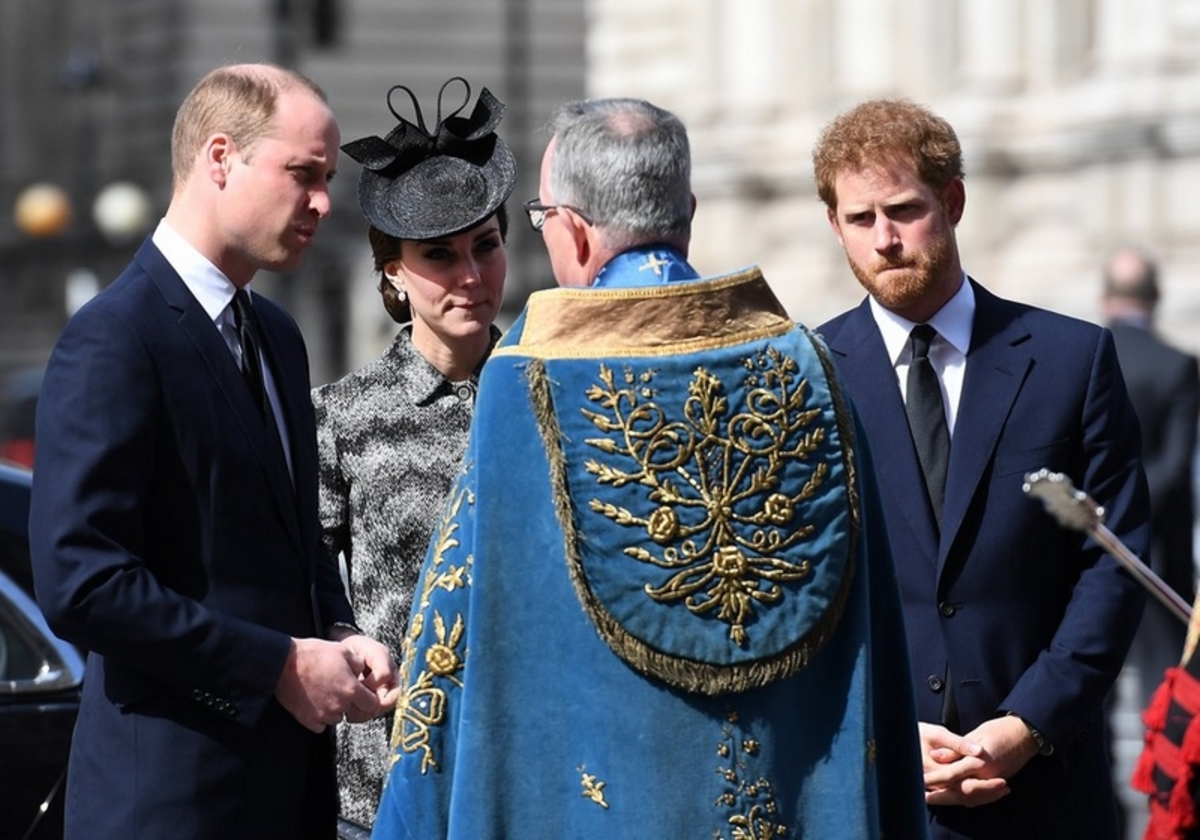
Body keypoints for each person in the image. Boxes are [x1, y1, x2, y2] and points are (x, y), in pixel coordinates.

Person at [372, 97, 929, 838]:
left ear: (569, 229)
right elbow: (876, 633)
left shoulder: (524, 382)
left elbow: (450, 644)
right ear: (688, 211)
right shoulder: (812, 367)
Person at [28, 63, 399, 839]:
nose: (324, 203)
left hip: (287, 798)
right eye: (303, 174)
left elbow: (285, 549)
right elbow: (82, 582)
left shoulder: (279, 338)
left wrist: (335, 632)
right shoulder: (115, 336)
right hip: (168, 801)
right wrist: (277, 667)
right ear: (220, 158)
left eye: (328, 178)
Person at [814, 98, 1151, 838]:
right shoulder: (808, 378)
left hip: (1048, 790)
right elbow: (794, 586)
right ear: (835, 226)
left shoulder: (1072, 360)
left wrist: (1029, 723)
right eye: (861, 220)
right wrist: (887, 729)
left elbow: (1115, 563)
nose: (887, 239)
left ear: (954, 201)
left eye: (905, 210)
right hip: (881, 792)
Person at [311, 77, 515, 828]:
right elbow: (299, 578)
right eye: (439, 255)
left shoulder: (547, 394)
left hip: (530, 768)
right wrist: (340, 635)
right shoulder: (343, 416)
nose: (470, 276)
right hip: (387, 784)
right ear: (393, 270)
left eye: (485, 247)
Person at [1103, 247, 1199, 701]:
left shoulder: (1081, 358)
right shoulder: (1177, 365)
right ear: (1157, 296)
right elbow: (1176, 465)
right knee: (1163, 687)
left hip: (1092, 545)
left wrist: (1102, 521)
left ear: (1105, 298)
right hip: (1159, 550)